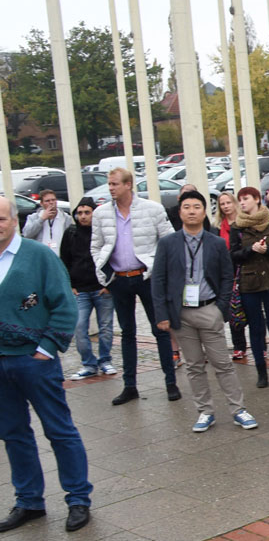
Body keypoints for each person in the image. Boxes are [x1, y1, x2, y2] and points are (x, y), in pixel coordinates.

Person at [0, 196, 92, 533]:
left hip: (34, 361)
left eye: (1, 219)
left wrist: (47, 348)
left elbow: (65, 304)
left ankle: (78, 498)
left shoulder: (38, 256)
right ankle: (29, 501)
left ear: (15, 220)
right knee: (13, 434)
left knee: (59, 429)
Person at [151, 191, 258, 434]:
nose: (191, 211)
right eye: (186, 207)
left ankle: (238, 409)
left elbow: (226, 275)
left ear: (204, 211)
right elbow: (158, 280)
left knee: (222, 363)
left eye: (196, 206)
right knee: (194, 365)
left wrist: (220, 308)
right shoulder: (168, 243)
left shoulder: (216, 242)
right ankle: (205, 411)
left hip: (209, 308)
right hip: (181, 313)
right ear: (180, 213)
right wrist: (162, 314)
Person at [91, 167, 180, 405]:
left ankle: (171, 382)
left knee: (160, 328)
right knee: (127, 332)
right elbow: (96, 246)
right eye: (109, 184)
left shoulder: (152, 209)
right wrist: (104, 275)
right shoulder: (101, 214)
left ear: (128, 185)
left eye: (114, 184)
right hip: (119, 279)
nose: (110, 188)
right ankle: (130, 386)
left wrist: (161, 275)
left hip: (147, 277)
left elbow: (169, 242)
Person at [229, 187, 269, 389]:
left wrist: (267, 250)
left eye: (246, 199)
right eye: (240, 200)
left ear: (256, 200)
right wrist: (249, 250)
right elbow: (233, 255)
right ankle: (261, 371)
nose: (242, 203)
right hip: (249, 282)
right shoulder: (237, 226)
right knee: (255, 327)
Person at [60, 198, 116, 381]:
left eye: (87, 212)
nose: (83, 216)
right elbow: (64, 260)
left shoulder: (102, 232)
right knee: (79, 326)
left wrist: (108, 284)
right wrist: (70, 285)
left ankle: (105, 360)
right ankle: (88, 364)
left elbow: (114, 256)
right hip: (80, 290)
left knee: (105, 327)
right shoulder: (71, 233)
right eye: (80, 212)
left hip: (102, 288)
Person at [214, 191, 248, 362]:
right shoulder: (218, 227)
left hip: (242, 269)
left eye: (228, 202)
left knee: (248, 308)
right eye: (222, 203)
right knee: (233, 309)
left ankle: (260, 345)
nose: (226, 206)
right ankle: (239, 346)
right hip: (226, 272)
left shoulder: (244, 223)